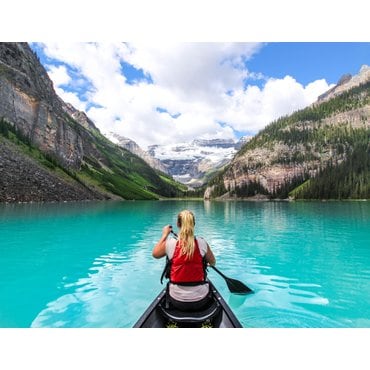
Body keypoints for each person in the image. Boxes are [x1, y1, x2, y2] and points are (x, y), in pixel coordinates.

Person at [152, 209, 216, 311]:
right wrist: (206, 263)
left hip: (176, 300)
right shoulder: (202, 242)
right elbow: (213, 262)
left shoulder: (170, 243)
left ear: (178, 224)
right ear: (194, 224)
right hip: (201, 300)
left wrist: (165, 235)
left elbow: (155, 254)